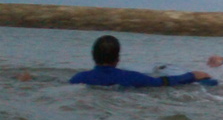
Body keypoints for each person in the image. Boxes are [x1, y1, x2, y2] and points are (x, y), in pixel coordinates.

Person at [70, 35, 214, 87]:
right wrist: (193, 75)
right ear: (118, 58)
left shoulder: (77, 78)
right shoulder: (132, 77)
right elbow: (164, 83)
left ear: (93, 55)